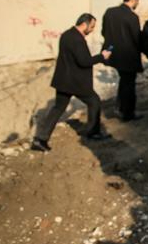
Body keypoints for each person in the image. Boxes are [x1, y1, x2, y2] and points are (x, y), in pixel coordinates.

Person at [31, 14, 112, 151]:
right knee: (94, 102)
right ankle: (93, 132)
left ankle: (40, 139)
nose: (92, 30)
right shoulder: (77, 39)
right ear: (84, 24)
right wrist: (101, 57)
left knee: (58, 108)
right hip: (75, 82)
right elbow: (84, 61)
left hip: (63, 80)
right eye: (91, 27)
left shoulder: (67, 34)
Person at [102, 0, 144, 122]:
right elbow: (137, 38)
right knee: (129, 85)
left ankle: (120, 107)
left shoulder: (110, 12)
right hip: (128, 56)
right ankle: (128, 112)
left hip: (114, 54)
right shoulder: (132, 17)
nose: (137, 3)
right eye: (137, 0)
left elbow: (104, 32)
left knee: (124, 81)